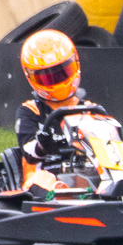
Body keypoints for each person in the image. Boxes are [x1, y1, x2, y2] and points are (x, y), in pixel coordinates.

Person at [14, 29, 94, 173]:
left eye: (62, 73)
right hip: (43, 175)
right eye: (46, 78)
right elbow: (28, 152)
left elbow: (110, 143)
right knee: (47, 180)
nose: (56, 81)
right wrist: (42, 145)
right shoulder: (30, 111)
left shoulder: (89, 110)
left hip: (82, 175)